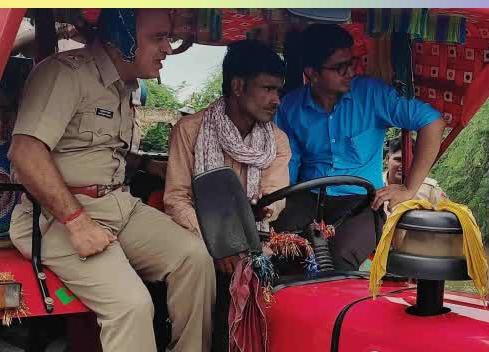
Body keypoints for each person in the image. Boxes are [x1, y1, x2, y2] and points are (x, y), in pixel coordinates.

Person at [8, 9, 215, 352]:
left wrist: (150, 165)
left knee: (195, 259)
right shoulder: (64, 74)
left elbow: (92, 151)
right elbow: (25, 153)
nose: (167, 47)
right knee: (131, 306)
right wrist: (77, 223)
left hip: (117, 205)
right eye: (158, 37)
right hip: (55, 218)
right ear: (124, 40)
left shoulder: (123, 85)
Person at [273, 23, 445, 271]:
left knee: (340, 257)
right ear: (312, 73)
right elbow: (286, 164)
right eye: (339, 67)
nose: (350, 72)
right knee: (282, 249)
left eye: (350, 63)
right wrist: (273, 204)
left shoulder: (372, 95)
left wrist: (408, 189)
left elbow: (433, 123)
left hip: (361, 202)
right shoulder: (290, 107)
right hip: (306, 196)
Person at [164, 40, 291, 255]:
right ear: (238, 87)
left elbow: (274, 195)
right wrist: (219, 242)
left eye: (278, 91)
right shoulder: (189, 130)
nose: (276, 100)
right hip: (198, 237)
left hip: (254, 237)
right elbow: (177, 200)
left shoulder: (277, 141)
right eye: (268, 89)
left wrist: (265, 208)